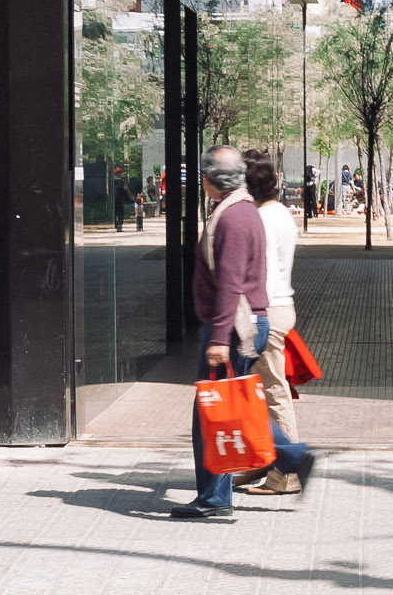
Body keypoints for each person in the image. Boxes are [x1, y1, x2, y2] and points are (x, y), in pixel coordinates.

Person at [170, 144, 314, 521]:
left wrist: (218, 338)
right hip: (247, 321)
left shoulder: (232, 217)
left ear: (209, 180)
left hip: (234, 324)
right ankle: (224, 490)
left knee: (216, 409)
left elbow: (232, 283)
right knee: (225, 406)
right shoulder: (246, 210)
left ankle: (286, 460)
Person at [240, 151, 308, 498]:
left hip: (266, 310)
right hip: (282, 304)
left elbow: (257, 274)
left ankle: (286, 473)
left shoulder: (260, 219)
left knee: (274, 393)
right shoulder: (281, 213)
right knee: (261, 393)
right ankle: (265, 461)